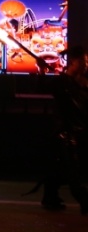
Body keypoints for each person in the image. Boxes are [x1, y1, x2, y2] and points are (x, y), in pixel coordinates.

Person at [42, 44, 88, 214]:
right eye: (83, 61)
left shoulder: (82, 82)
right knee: (73, 170)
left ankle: (50, 197)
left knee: (63, 168)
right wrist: (41, 70)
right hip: (66, 133)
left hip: (81, 130)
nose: (86, 65)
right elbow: (43, 87)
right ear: (74, 62)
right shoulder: (61, 83)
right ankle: (85, 200)